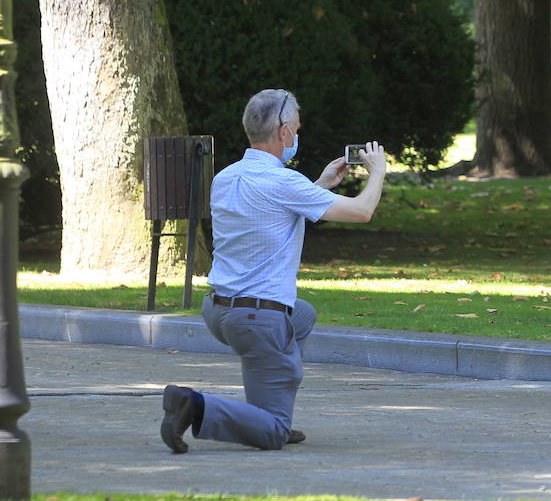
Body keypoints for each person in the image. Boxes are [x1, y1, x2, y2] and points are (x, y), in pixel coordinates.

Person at [159, 89, 388, 453]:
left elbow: (272, 219)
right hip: (256, 317)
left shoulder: (226, 177)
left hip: (219, 311)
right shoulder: (283, 183)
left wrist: (321, 186)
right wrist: (377, 172)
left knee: (302, 316)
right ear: (283, 133)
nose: (297, 136)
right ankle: (197, 405)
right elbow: (361, 211)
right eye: (296, 130)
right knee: (272, 435)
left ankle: (269, 408)